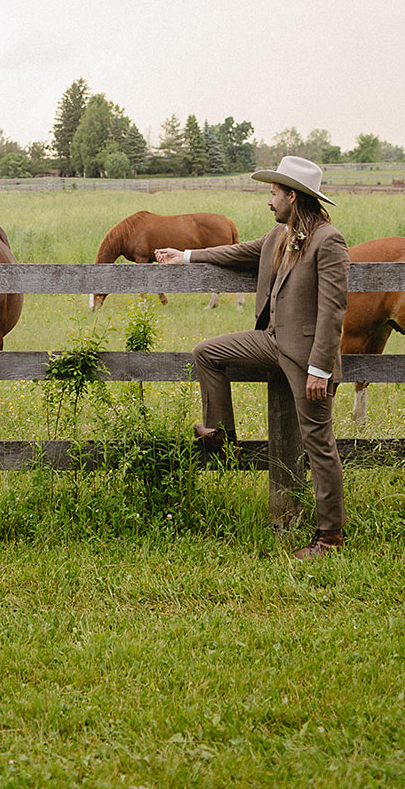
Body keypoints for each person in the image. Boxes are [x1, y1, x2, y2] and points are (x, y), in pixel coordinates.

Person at [155, 155, 349, 561]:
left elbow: (334, 309)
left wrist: (320, 369)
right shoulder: (280, 235)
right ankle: (222, 438)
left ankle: (329, 538)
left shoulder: (328, 240)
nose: (269, 200)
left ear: (292, 196)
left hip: (307, 359)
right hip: (271, 341)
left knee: (319, 442)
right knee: (207, 352)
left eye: (274, 193)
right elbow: (238, 252)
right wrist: (186, 256)